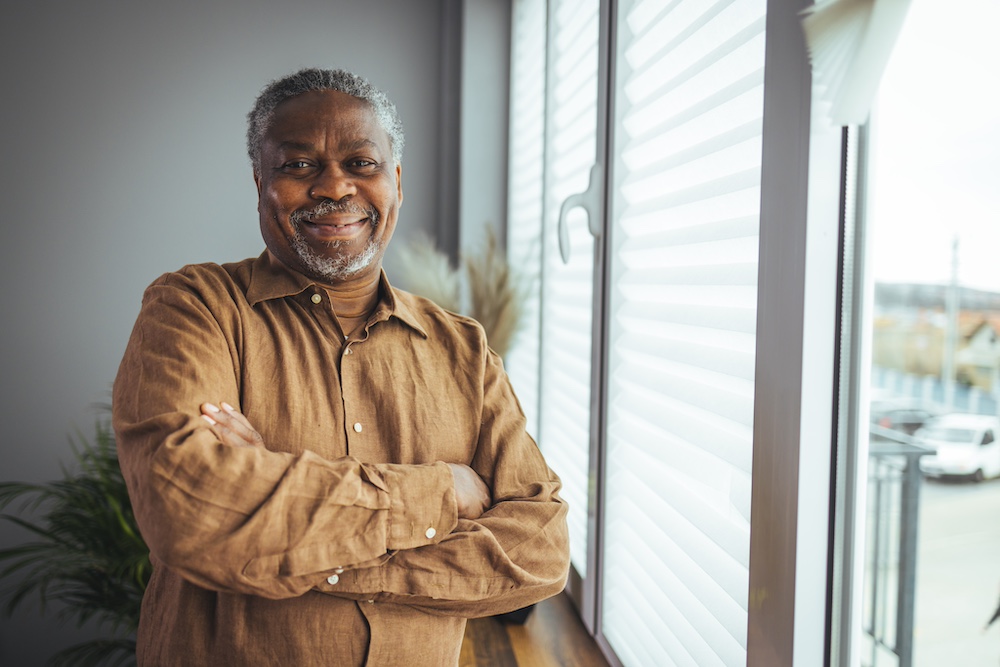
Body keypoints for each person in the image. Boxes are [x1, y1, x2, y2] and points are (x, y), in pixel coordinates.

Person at [112, 68, 570, 667]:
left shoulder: (464, 350)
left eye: (361, 163)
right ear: (259, 181)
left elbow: (540, 551)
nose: (334, 188)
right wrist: (440, 493)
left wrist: (297, 543)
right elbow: (191, 514)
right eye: (299, 166)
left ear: (396, 183)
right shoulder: (195, 309)